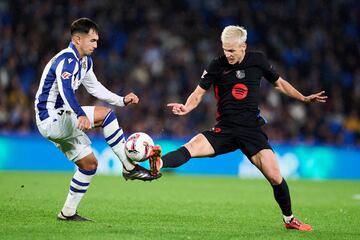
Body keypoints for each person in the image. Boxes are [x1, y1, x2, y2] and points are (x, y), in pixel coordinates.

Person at [150, 25, 328, 231]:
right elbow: (198, 93)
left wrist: (304, 98)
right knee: (192, 146)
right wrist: (186, 107)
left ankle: (289, 220)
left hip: (251, 131)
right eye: (225, 50)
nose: (228, 54)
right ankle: (158, 163)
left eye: (232, 50)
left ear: (243, 46)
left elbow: (279, 83)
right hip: (225, 129)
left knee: (274, 176)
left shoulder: (258, 61)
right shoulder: (217, 65)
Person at [34, 18, 161, 221]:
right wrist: (80, 114)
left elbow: (94, 87)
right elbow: (66, 91)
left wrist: (121, 100)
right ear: (77, 39)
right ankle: (129, 167)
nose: (96, 44)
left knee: (89, 164)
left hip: (59, 119)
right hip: (51, 118)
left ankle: (67, 213)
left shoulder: (84, 62)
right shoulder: (67, 60)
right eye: (92, 40)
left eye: (97, 40)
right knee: (106, 115)